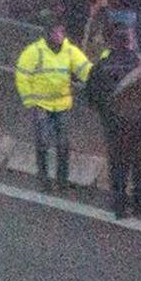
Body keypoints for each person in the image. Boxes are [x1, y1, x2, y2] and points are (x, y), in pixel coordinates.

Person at [14, 13, 92, 191]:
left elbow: (85, 69)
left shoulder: (70, 51)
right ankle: (44, 179)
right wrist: (30, 101)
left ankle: (62, 180)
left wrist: (98, 78)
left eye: (61, 32)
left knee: (63, 144)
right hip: (41, 106)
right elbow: (22, 76)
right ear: (48, 34)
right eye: (56, 32)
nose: (60, 36)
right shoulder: (34, 52)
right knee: (43, 143)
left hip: (62, 105)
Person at [83, 24, 141, 218]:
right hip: (136, 122)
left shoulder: (101, 66)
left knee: (118, 165)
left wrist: (106, 113)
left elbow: (92, 97)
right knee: (139, 163)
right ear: (128, 43)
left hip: (113, 124)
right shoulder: (138, 66)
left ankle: (119, 204)